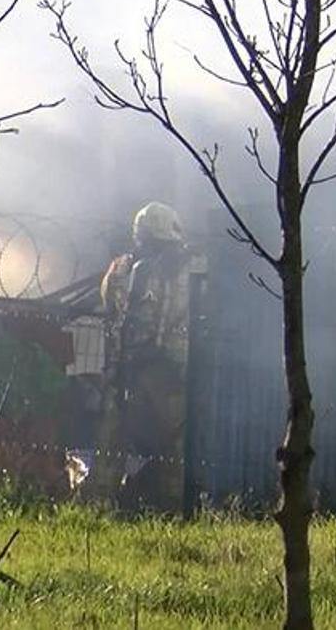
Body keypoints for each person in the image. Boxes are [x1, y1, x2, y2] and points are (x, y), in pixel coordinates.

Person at [99, 201, 196, 512]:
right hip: (170, 372)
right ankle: (167, 505)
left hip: (125, 367)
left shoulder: (120, 270)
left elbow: (110, 311)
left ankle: (109, 502)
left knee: (117, 440)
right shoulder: (185, 269)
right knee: (171, 445)